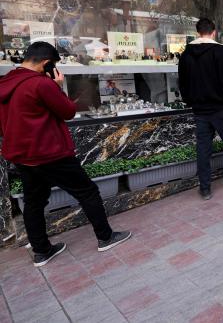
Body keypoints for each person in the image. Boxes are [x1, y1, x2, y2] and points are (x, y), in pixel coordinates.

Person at [0, 42, 130, 267]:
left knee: (33, 201)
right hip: (50, 152)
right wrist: (57, 86)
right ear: (46, 63)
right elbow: (68, 111)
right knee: (87, 192)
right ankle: (106, 237)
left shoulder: (6, 81)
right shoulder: (41, 84)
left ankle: (41, 251)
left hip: (21, 154)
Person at [179, 18, 223, 200]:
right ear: (214, 32)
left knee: (203, 149)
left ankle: (205, 187)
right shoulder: (219, 52)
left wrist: (189, 101)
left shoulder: (186, 54)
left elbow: (182, 83)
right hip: (221, 108)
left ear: (198, 32)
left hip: (200, 110)